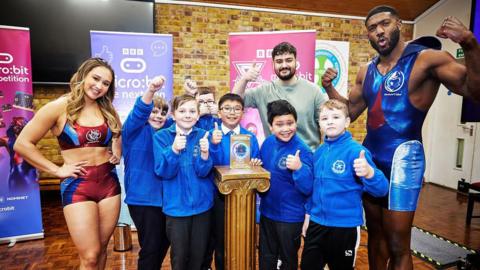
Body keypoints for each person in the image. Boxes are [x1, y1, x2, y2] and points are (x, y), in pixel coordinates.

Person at [321, 5, 480, 269]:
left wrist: (470, 43)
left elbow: (474, 91)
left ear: (399, 25)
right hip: (370, 160)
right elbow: (350, 111)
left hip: (404, 161)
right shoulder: (367, 70)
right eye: (372, 28)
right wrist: (329, 88)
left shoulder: (427, 59)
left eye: (384, 24)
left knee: (398, 244)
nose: (379, 31)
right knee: (375, 237)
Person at [14, 57, 122, 270]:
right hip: (78, 186)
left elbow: (117, 133)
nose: (99, 86)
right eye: (96, 78)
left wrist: (117, 148)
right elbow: (22, 144)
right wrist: (56, 169)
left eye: (106, 83)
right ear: (83, 76)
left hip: (110, 184)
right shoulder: (59, 107)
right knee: (90, 256)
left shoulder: (108, 109)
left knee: (101, 250)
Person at [301, 99, 389, 270]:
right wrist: (308, 215)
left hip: (344, 228)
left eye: (336, 117)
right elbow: (314, 189)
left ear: (347, 122)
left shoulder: (356, 152)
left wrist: (370, 174)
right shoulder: (318, 153)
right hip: (316, 225)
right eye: (324, 118)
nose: (330, 121)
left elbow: (382, 190)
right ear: (319, 124)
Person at [153, 94, 214, 270]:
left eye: (192, 111)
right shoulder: (161, 137)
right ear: (173, 114)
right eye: (182, 111)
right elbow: (163, 171)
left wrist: (204, 155)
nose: (187, 115)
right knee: (179, 258)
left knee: (199, 255)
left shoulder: (203, 135)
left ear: (197, 115)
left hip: (202, 207)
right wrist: (173, 150)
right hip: (176, 208)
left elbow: (203, 172)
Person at [203, 93, 262, 270]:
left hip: (243, 201)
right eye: (227, 108)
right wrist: (213, 144)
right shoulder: (211, 135)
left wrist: (255, 165)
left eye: (237, 109)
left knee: (241, 241)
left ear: (242, 112)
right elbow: (206, 167)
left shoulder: (249, 138)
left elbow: (257, 164)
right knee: (219, 244)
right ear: (219, 112)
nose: (232, 112)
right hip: (216, 199)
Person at [233, 42, 327, 149]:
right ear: (273, 64)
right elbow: (235, 102)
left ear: (296, 62)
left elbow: (325, 125)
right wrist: (244, 79)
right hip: (274, 158)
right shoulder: (263, 91)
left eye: (289, 60)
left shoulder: (314, 91)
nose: (284, 65)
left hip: (307, 158)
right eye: (279, 61)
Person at [258, 99, 313, 270]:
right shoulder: (267, 143)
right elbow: (264, 174)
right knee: (266, 258)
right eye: (279, 124)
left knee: (287, 261)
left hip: (290, 218)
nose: (285, 128)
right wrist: (255, 165)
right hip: (267, 213)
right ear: (271, 126)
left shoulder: (302, 150)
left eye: (290, 123)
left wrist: (299, 168)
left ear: (296, 123)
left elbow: (308, 187)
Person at [122, 76, 170, 270]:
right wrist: (151, 90)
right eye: (154, 111)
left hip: (166, 201)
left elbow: (186, 119)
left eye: (162, 112)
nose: (158, 116)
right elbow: (139, 112)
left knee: (163, 244)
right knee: (150, 248)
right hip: (143, 201)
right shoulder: (133, 131)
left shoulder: (167, 133)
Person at [0, 117, 38, 192]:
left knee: (32, 195)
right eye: (15, 125)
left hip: (30, 170)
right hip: (16, 171)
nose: (17, 126)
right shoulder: (7, 140)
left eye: (20, 124)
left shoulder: (30, 139)